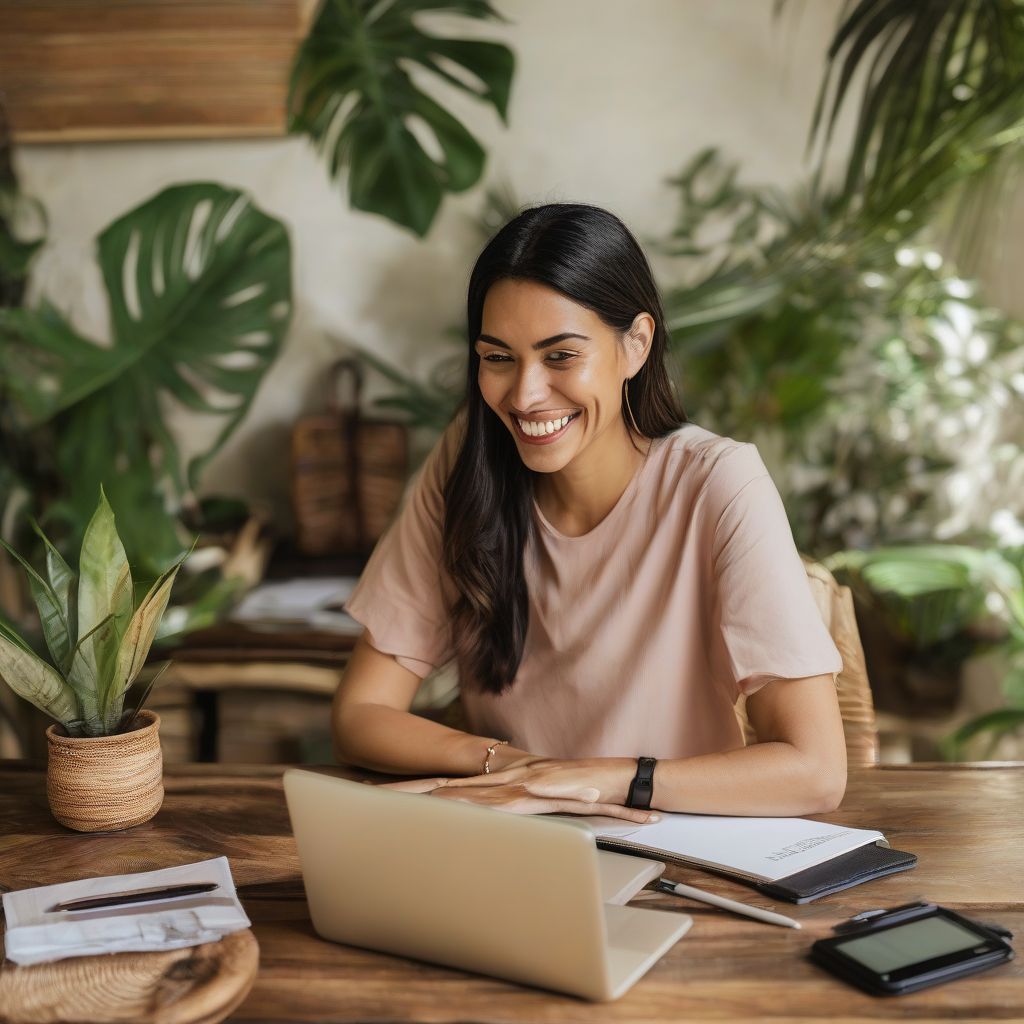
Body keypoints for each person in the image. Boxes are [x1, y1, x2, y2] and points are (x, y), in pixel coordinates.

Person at [333, 202, 846, 824]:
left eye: (560, 356)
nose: (523, 395)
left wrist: (597, 782)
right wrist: (515, 767)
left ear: (636, 344)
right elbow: (362, 714)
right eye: (497, 358)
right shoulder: (468, 460)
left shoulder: (718, 482)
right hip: (517, 842)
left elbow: (815, 772)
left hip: (681, 845)